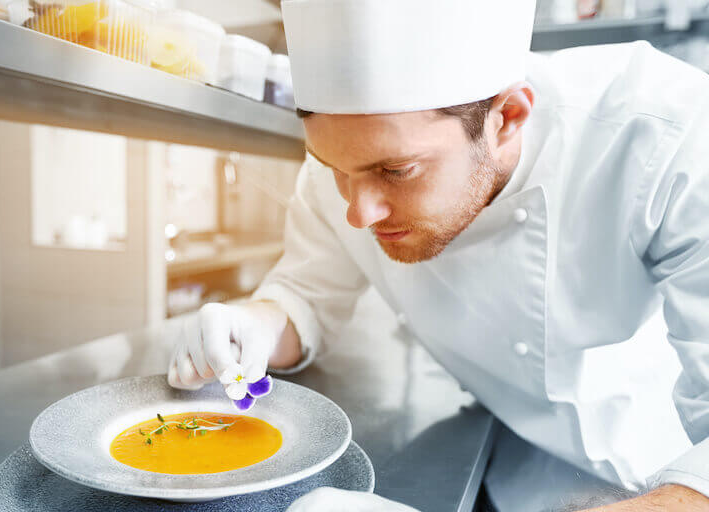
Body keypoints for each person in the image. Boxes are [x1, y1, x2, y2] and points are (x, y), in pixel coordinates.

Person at [167, 0, 709, 510]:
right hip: (511, 464)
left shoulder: (665, 133)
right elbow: (306, 296)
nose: (360, 212)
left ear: (508, 118)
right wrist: (253, 325)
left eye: (396, 170)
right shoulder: (349, 169)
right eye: (333, 166)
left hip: (668, 469)